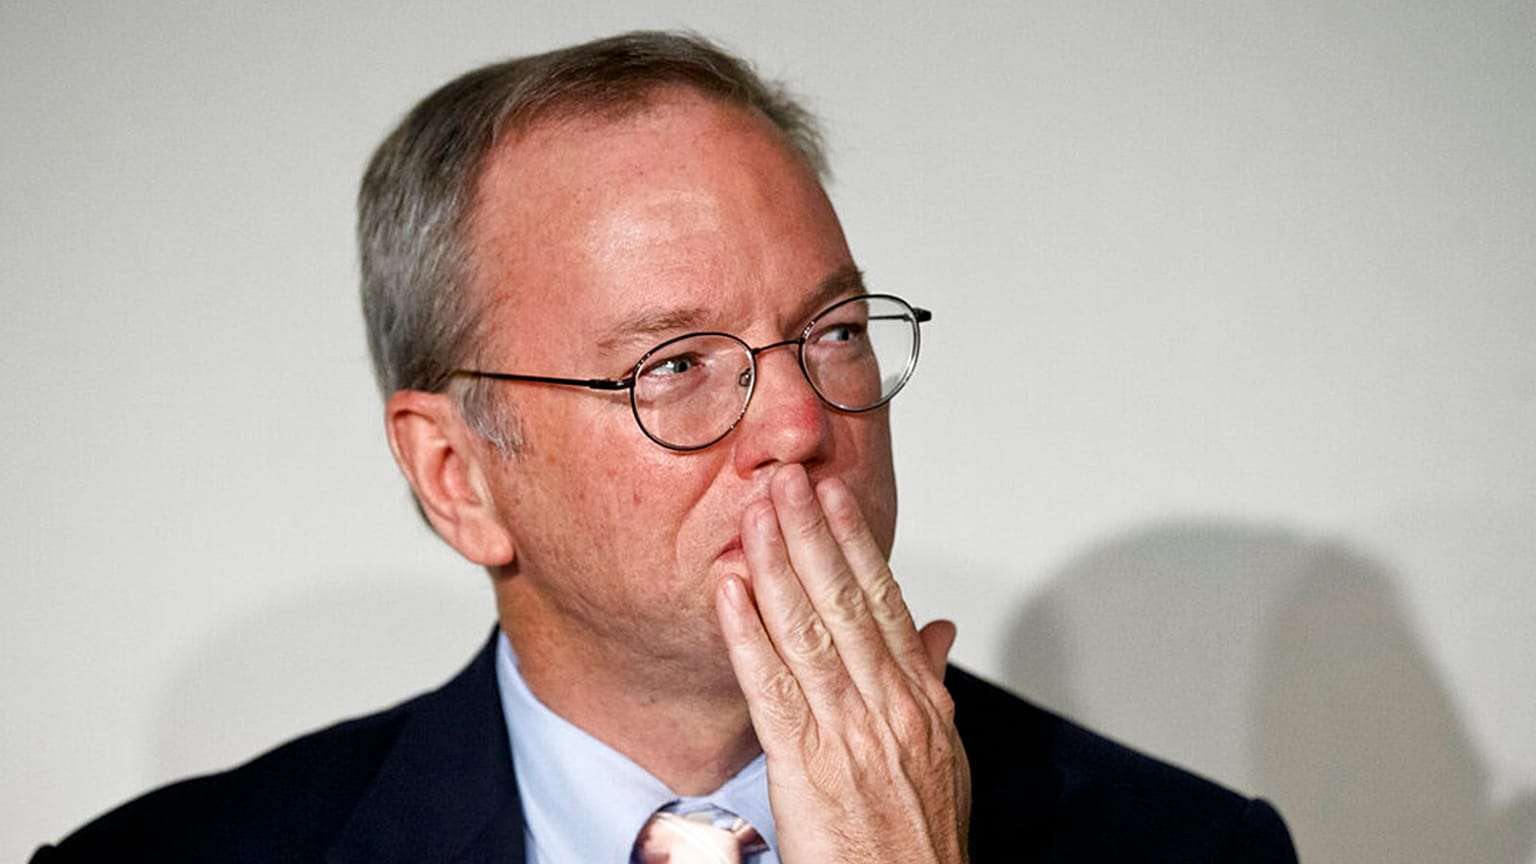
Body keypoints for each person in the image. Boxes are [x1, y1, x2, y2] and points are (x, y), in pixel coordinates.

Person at [33, 31, 1298, 863]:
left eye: (835, 332)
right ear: (458, 478)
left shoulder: (1187, 848)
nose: (803, 426)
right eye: (675, 369)